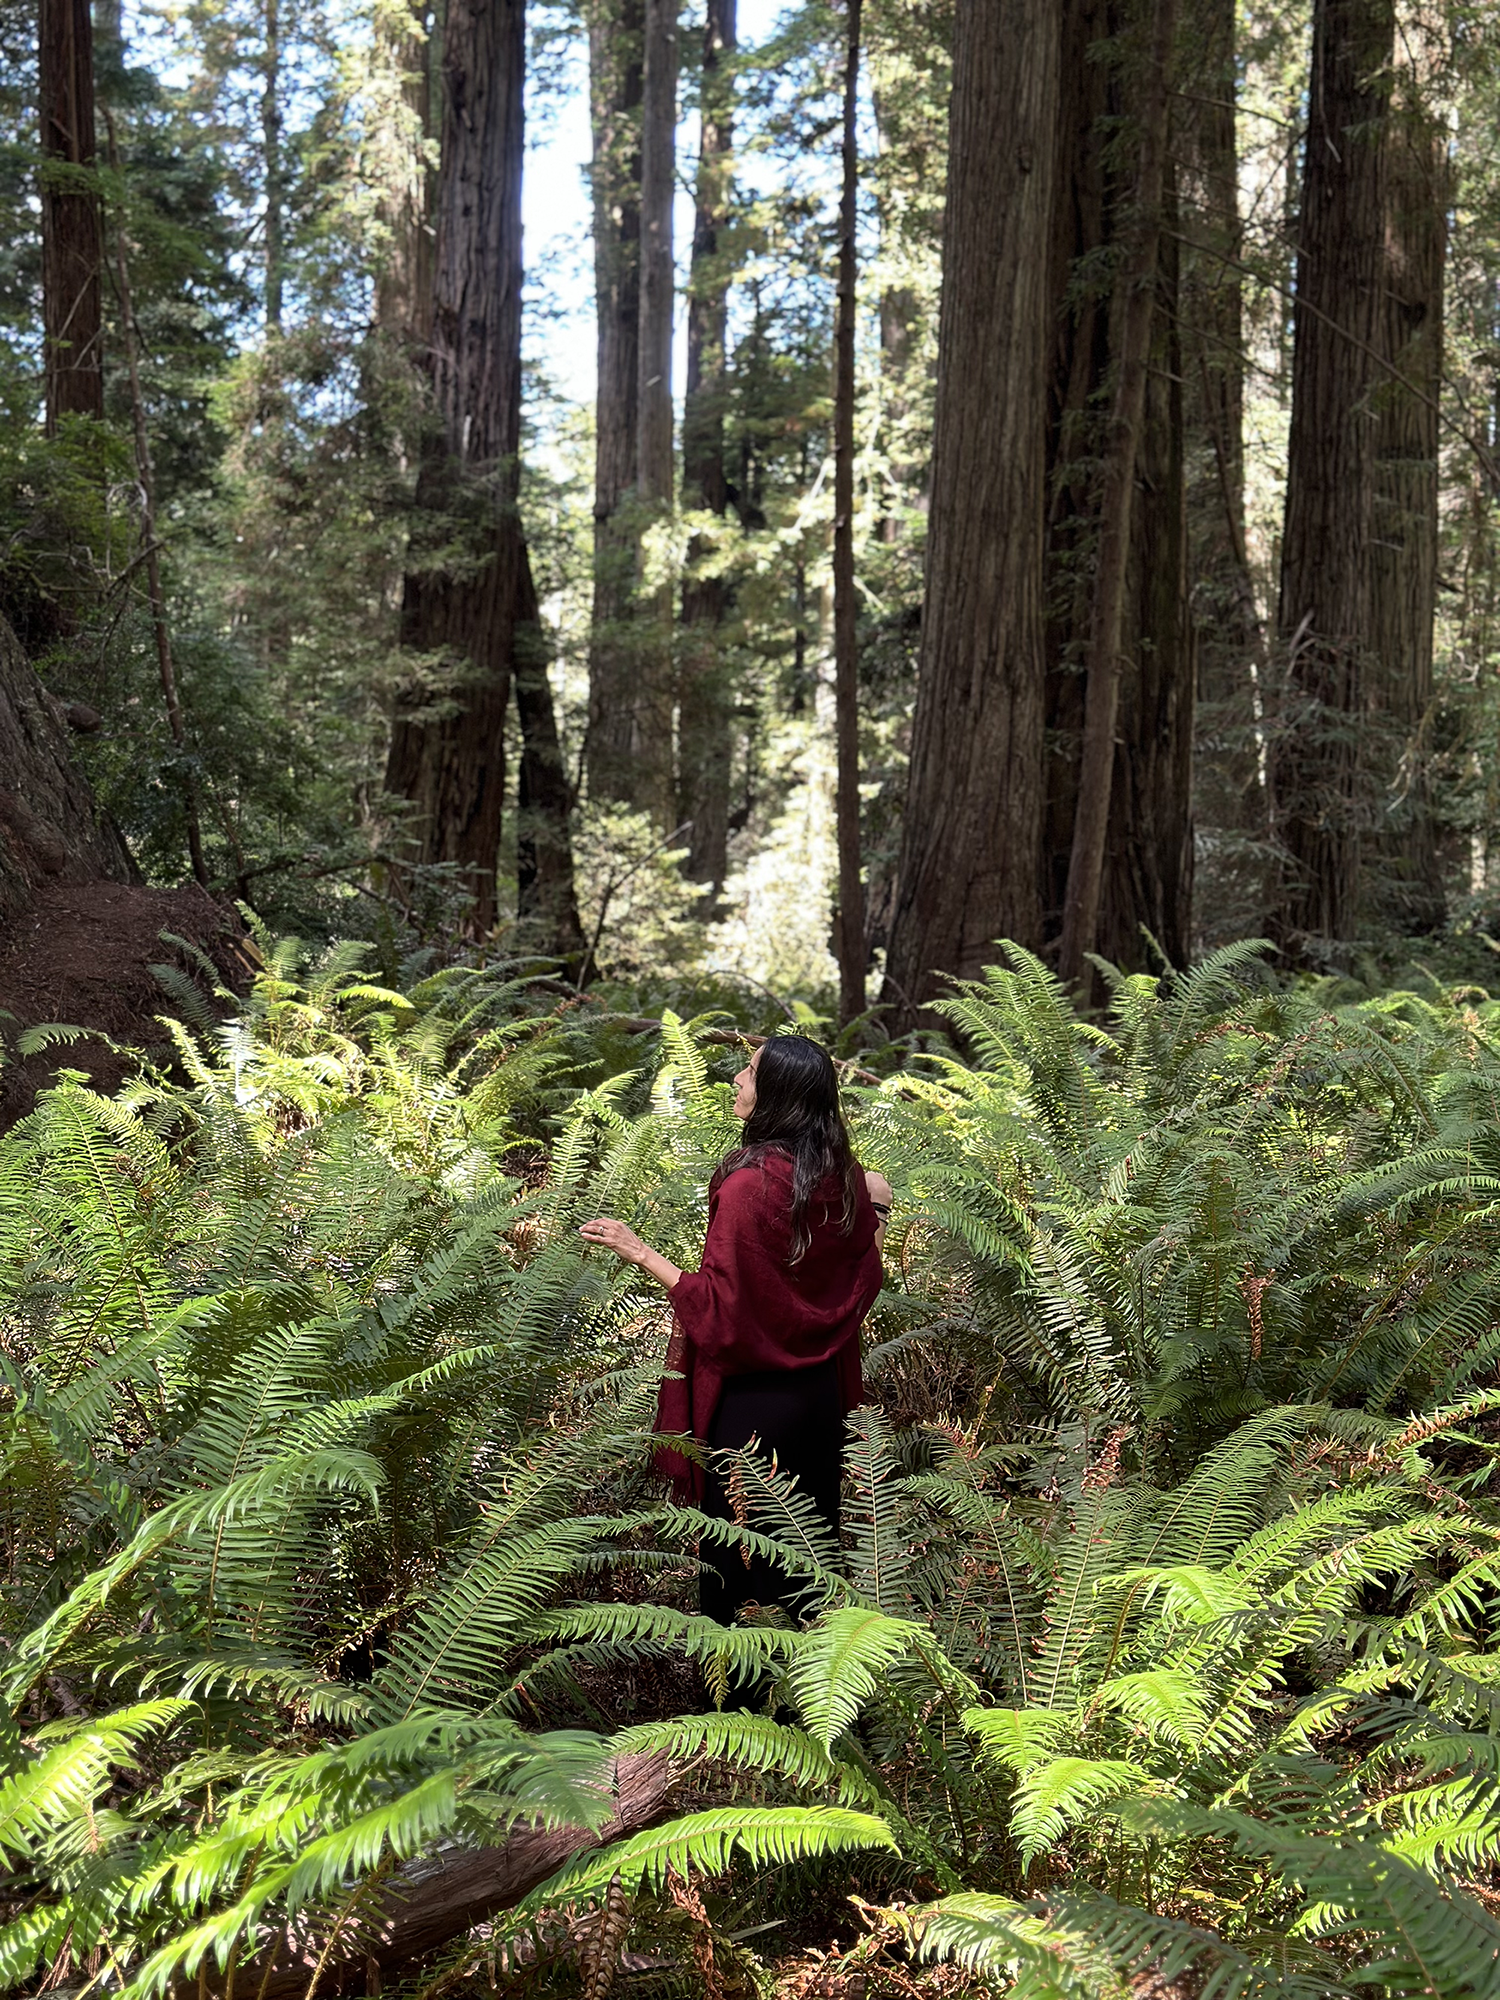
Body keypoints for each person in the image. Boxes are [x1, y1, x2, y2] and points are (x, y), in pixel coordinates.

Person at [580, 1036, 891, 1622]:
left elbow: (724, 1317)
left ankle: (735, 1703)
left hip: (752, 1407)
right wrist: (879, 1209)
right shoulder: (843, 1178)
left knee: (741, 1555)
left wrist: (639, 1251)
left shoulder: (750, 1187)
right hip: (819, 1400)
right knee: (807, 1550)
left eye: (748, 1072)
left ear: (776, 1094)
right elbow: (862, 1284)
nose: (735, 1081)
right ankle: (814, 1697)